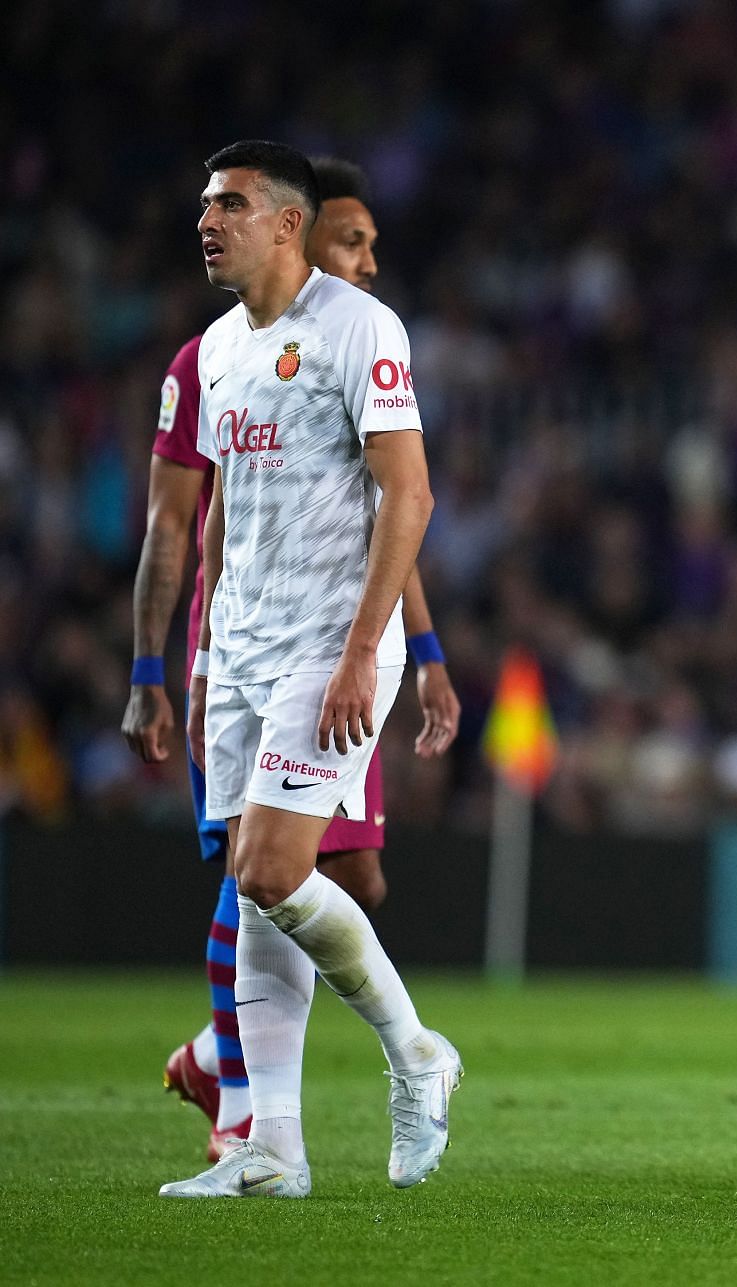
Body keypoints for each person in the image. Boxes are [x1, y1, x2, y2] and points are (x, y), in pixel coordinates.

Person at [122, 156, 460, 1165]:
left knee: (283, 871)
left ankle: (417, 1053)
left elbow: (408, 495)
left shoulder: (361, 329)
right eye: (202, 202)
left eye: (226, 203)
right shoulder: (216, 354)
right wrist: (197, 661)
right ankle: (269, 1150)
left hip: (330, 647)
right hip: (243, 653)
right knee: (259, 883)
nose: (205, 219)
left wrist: (375, 652)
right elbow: (212, 520)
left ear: (285, 223)